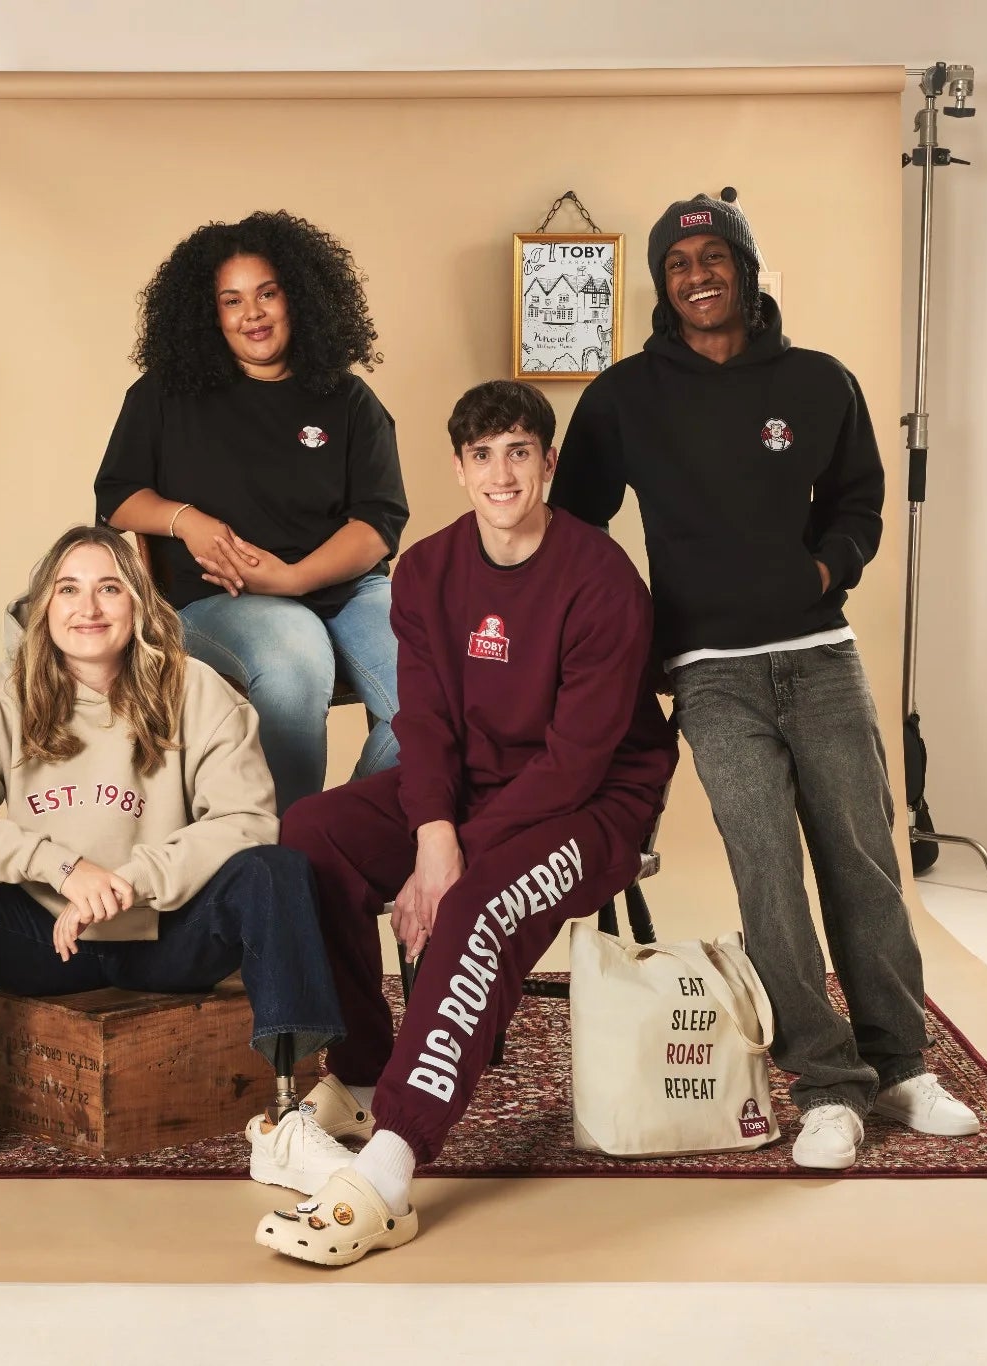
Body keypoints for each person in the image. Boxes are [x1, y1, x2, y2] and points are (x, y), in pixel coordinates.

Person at [551, 188, 980, 1172]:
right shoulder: (623, 397)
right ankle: (826, 1085)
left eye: (714, 257)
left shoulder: (818, 382)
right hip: (710, 676)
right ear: (661, 284)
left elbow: (859, 501)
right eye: (678, 264)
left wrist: (825, 571)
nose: (697, 276)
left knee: (862, 862)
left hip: (821, 657)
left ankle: (899, 1064)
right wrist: (629, 630)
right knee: (767, 874)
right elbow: (576, 528)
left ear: (744, 270)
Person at [247, 380, 676, 1267]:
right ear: (458, 467)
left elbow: (575, 764)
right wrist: (434, 833)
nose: (501, 473)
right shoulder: (429, 569)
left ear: (548, 463)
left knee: (478, 900)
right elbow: (428, 723)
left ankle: (389, 1170)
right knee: (314, 834)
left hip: (597, 805)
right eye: (483, 455)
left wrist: (452, 856)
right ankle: (365, 1075)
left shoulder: (602, 579)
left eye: (519, 452)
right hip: (474, 788)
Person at [0, 525, 343, 1204]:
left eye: (109, 588)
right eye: (68, 589)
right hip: (47, 940)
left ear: (139, 604)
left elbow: (246, 819)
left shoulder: (200, 690)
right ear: (44, 606)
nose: (88, 608)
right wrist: (63, 869)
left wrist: (130, 880)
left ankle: (286, 1121)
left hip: (168, 936)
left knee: (276, 868)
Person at [95, 211, 409, 815]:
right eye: (232, 300)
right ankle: (279, 856)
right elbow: (118, 496)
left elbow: (377, 523)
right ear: (209, 313)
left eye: (268, 293)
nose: (252, 315)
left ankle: (329, 832)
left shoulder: (349, 399)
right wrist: (188, 520)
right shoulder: (164, 394)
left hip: (349, 589)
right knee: (296, 659)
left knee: (435, 690)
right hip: (222, 597)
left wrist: (292, 578)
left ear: (301, 297)